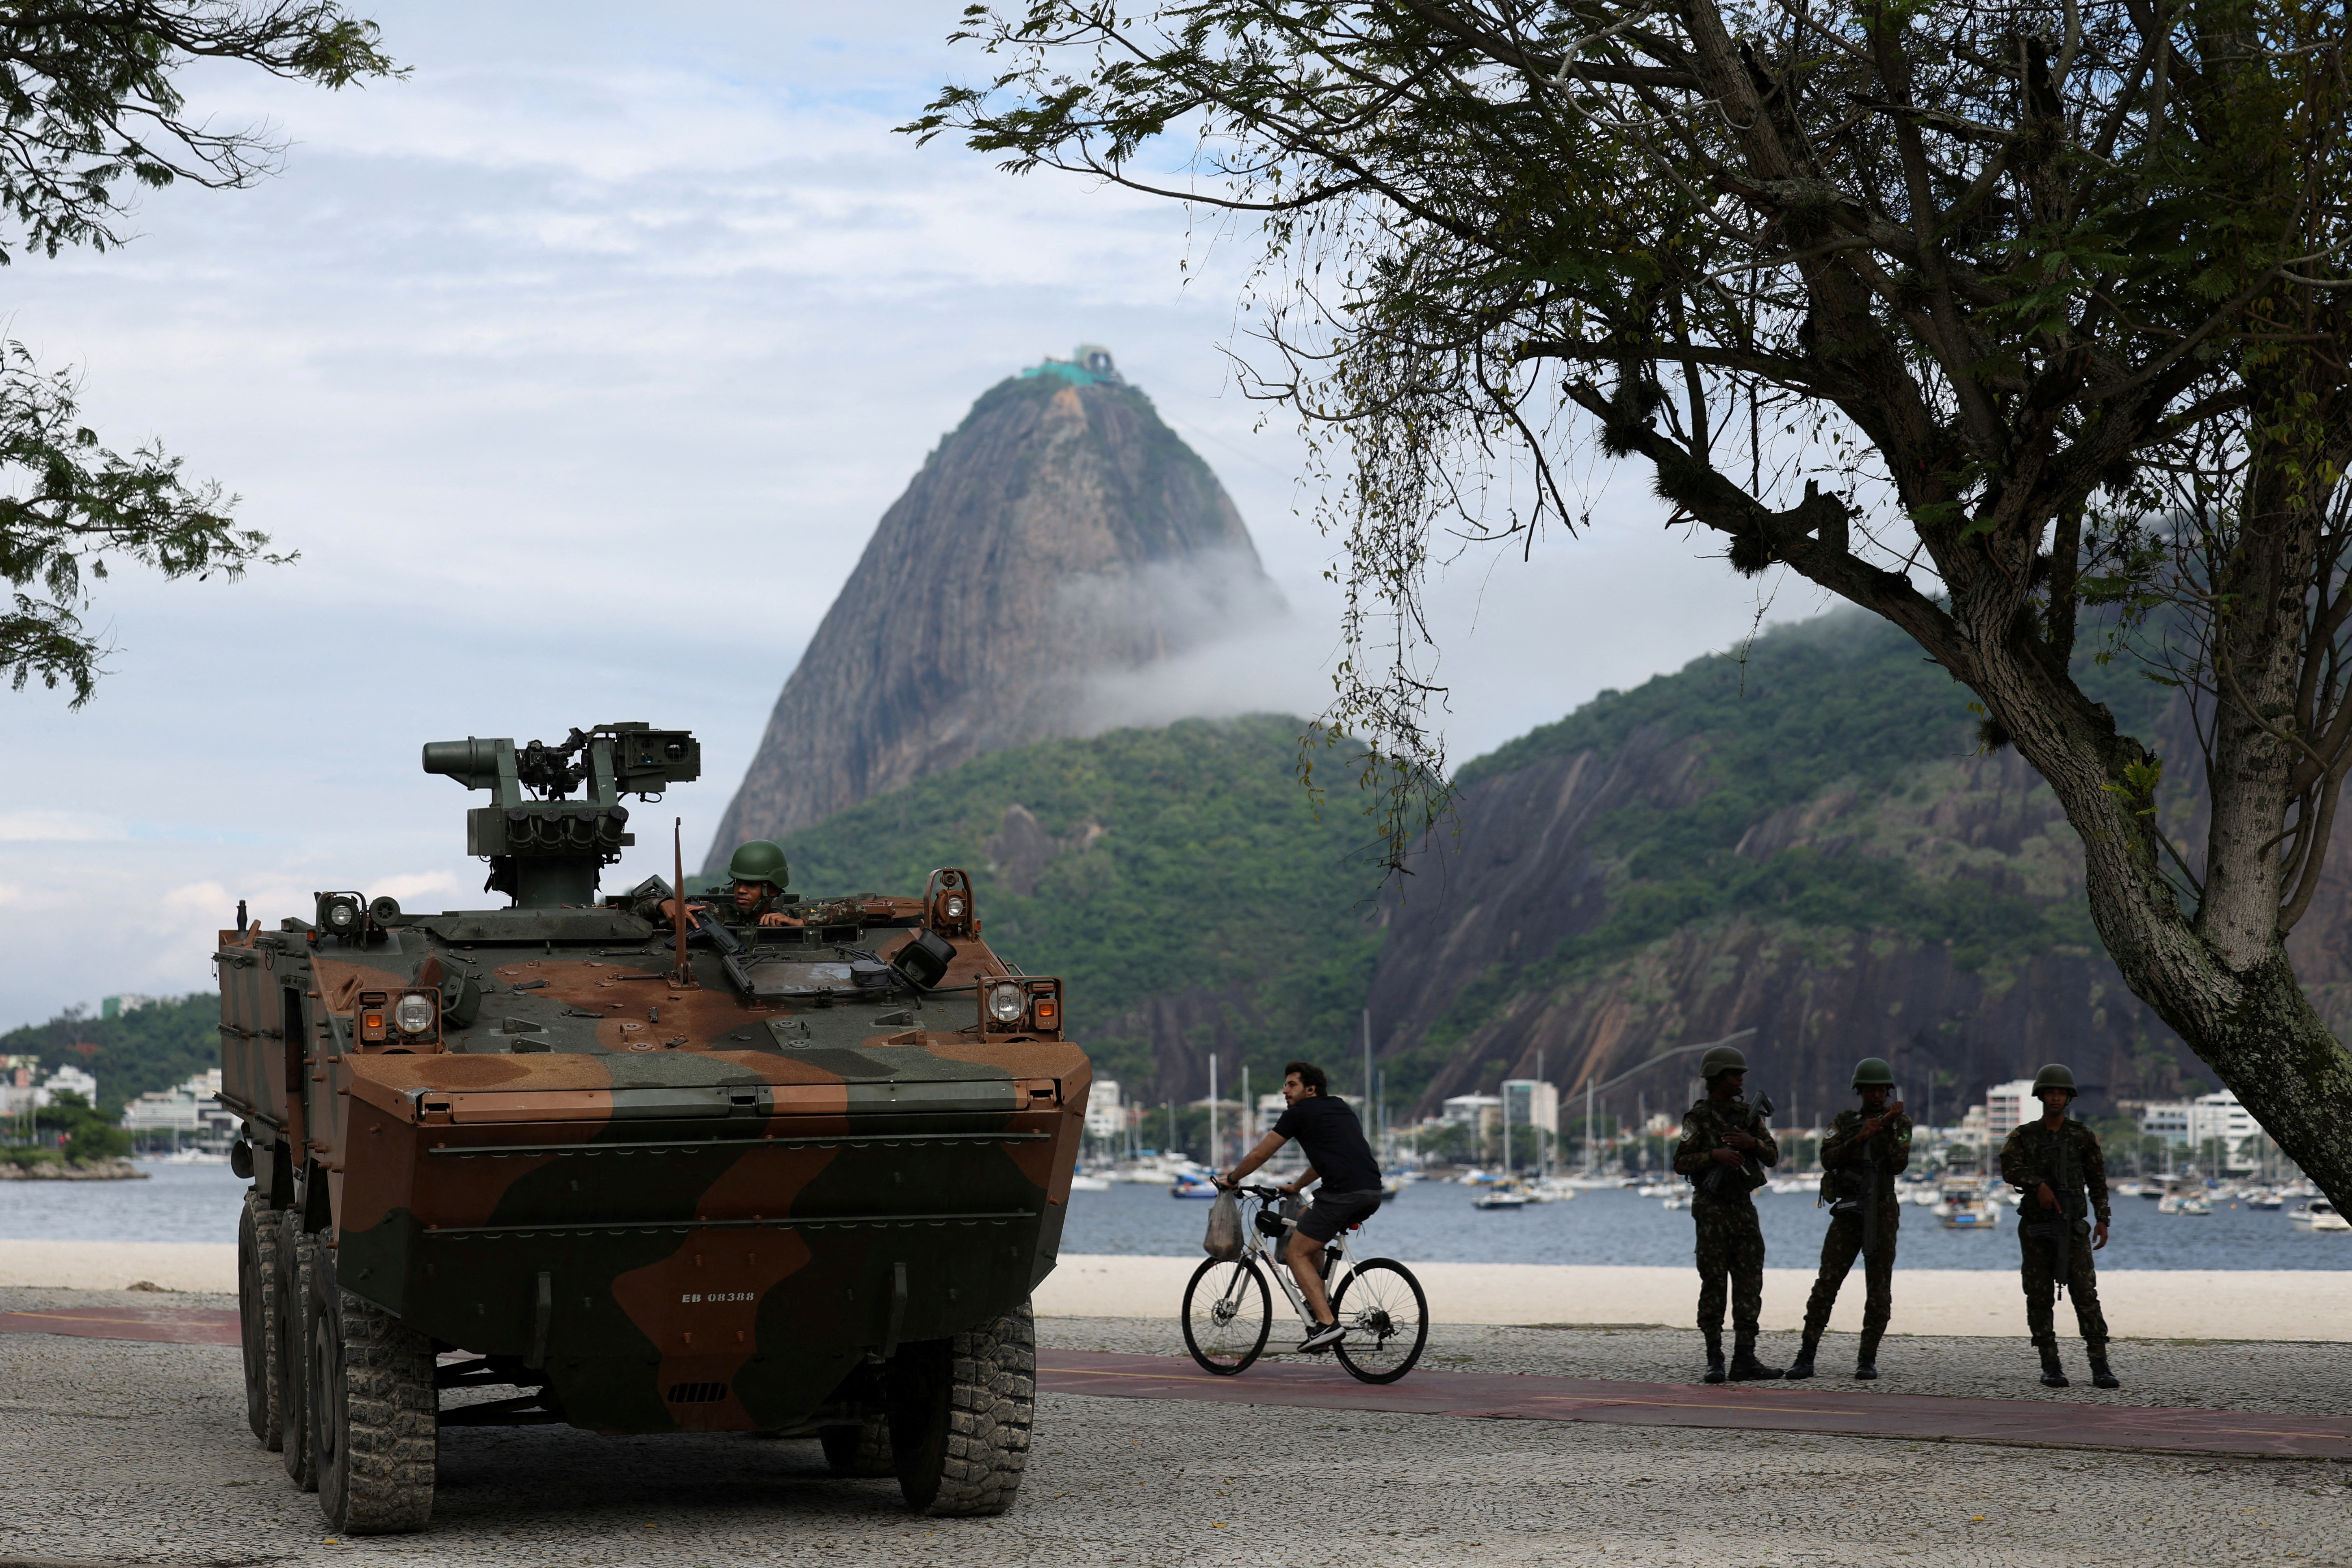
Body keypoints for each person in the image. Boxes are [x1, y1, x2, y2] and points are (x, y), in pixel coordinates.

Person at [1217, 1061, 1383, 1353]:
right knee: (1306, 1217)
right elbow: (1329, 1157)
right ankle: (1318, 1297)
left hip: (1342, 1194)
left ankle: (1327, 1324)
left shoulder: (1298, 1114)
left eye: (1291, 1084)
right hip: (1370, 1190)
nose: (1284, 1091)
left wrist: (1231, 1179)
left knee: (1296, 1252)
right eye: (1285, 1085)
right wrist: (1296, 1187)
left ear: (1310, 1089)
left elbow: (1260, 1153)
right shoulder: (1339, 1106)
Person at [1788, 1058, 1912, 1381]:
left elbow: (1898, 1163)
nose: (1876, 1093)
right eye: (1870, 1088)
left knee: (1878, 1287)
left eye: (1881, 1088)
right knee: (1827, 1281)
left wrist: (1885, 1127)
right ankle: (1806, 1355)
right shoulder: (1844, 1121)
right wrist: (1859, 1137)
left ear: (1888, 1090)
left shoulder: (1901, 1123)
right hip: (1848, 1209)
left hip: (1881, 1209)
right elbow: (1827, 1158)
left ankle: (1867, 1358)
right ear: (1860, 1090)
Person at [1998, 1063, 2118, 1389]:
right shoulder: (2024, 1136)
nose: (2055, 1097)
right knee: (2038, 1296)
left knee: (2086, 1295)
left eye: (2060, 1093)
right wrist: (2037, 1184)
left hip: (2073, 1226)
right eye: (2050, 1092)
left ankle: (2099, 1364)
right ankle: (2050, 1364)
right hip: (2037, 1227)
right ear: (2041, 1096)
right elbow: (2008, 1168)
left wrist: (2102, 1219)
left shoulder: (2081, 1136)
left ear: (2068, 1097)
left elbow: (2097, 1182)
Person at [1671, 1044, 1783, 1383]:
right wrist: (1714, 1155)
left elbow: (1773, 1155)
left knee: (1750, 1283)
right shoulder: (1698, 1118)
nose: (1740, 1080)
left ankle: (1745, 1358)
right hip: (1711, 1208)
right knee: (1714, 1282)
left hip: (1742, 1208)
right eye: (1735, 1074)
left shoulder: (1748, 1117)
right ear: (1718, 1077)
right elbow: (1680, 1162)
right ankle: (1714, 1358)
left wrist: (1751, 1144)